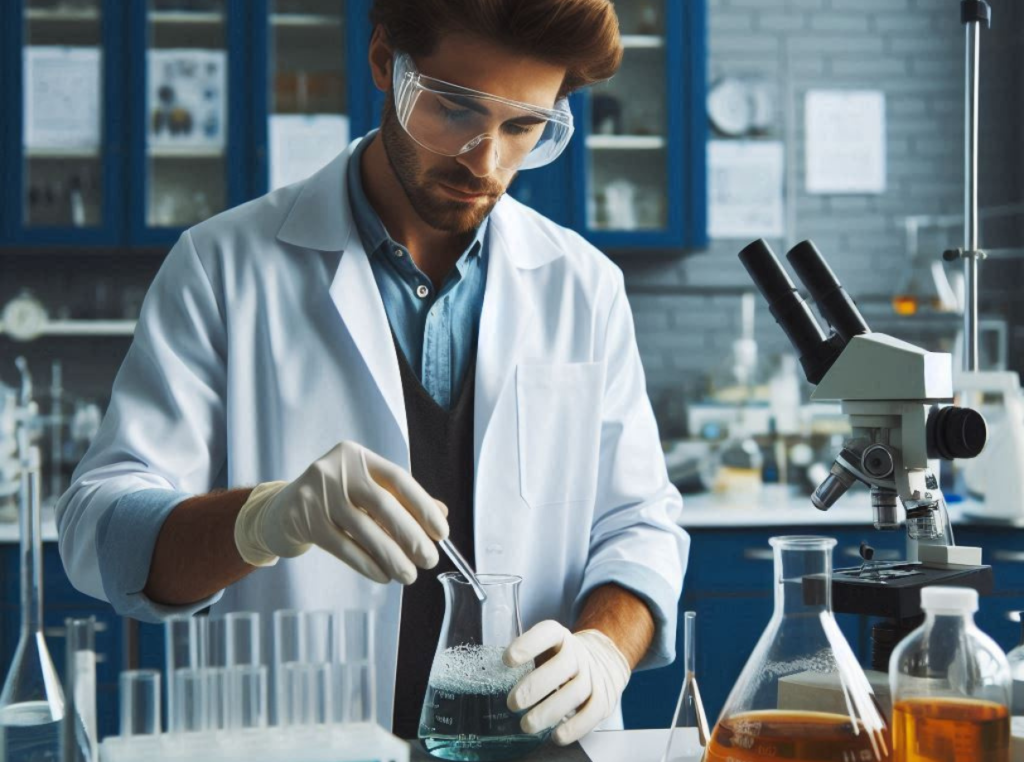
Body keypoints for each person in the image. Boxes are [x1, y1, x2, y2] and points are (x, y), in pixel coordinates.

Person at [56, 0, 689, 744]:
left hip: (529, 747)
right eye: (453, 109)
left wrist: (605, 650)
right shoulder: (224, 266)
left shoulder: (582, 285)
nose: (483, 162)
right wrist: (262, 519)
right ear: (386, 62)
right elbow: (97, 531)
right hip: (297, 743)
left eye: (523, 127)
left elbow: (640, 525)